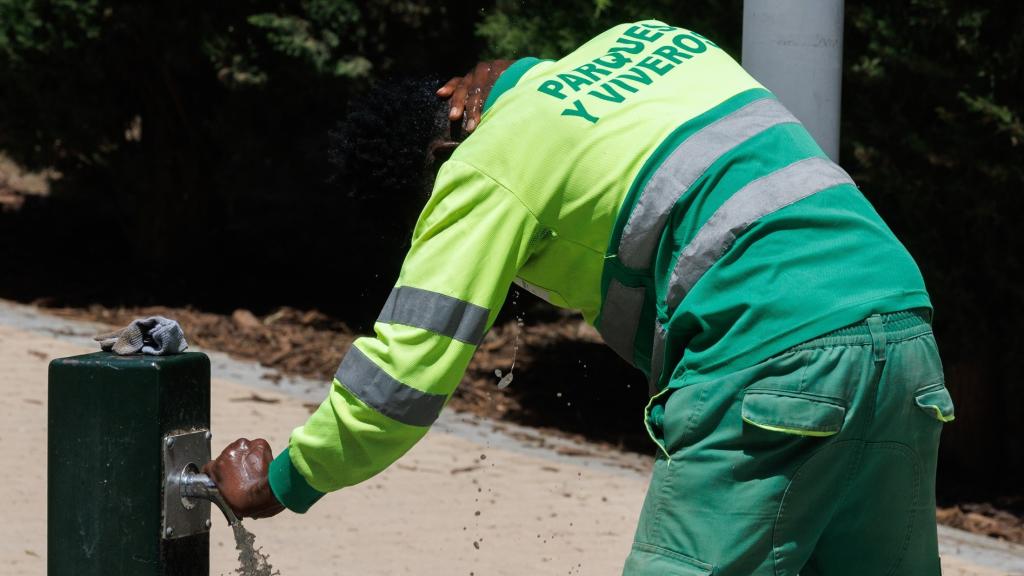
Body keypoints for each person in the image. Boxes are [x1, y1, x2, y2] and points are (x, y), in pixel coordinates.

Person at [204, 20, 954, 575]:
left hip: (771, 352)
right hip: (903, 332)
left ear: (443, 155)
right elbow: (551, 93)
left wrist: (282, 480)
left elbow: (403, 379)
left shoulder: (485, 167)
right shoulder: (649, 39)